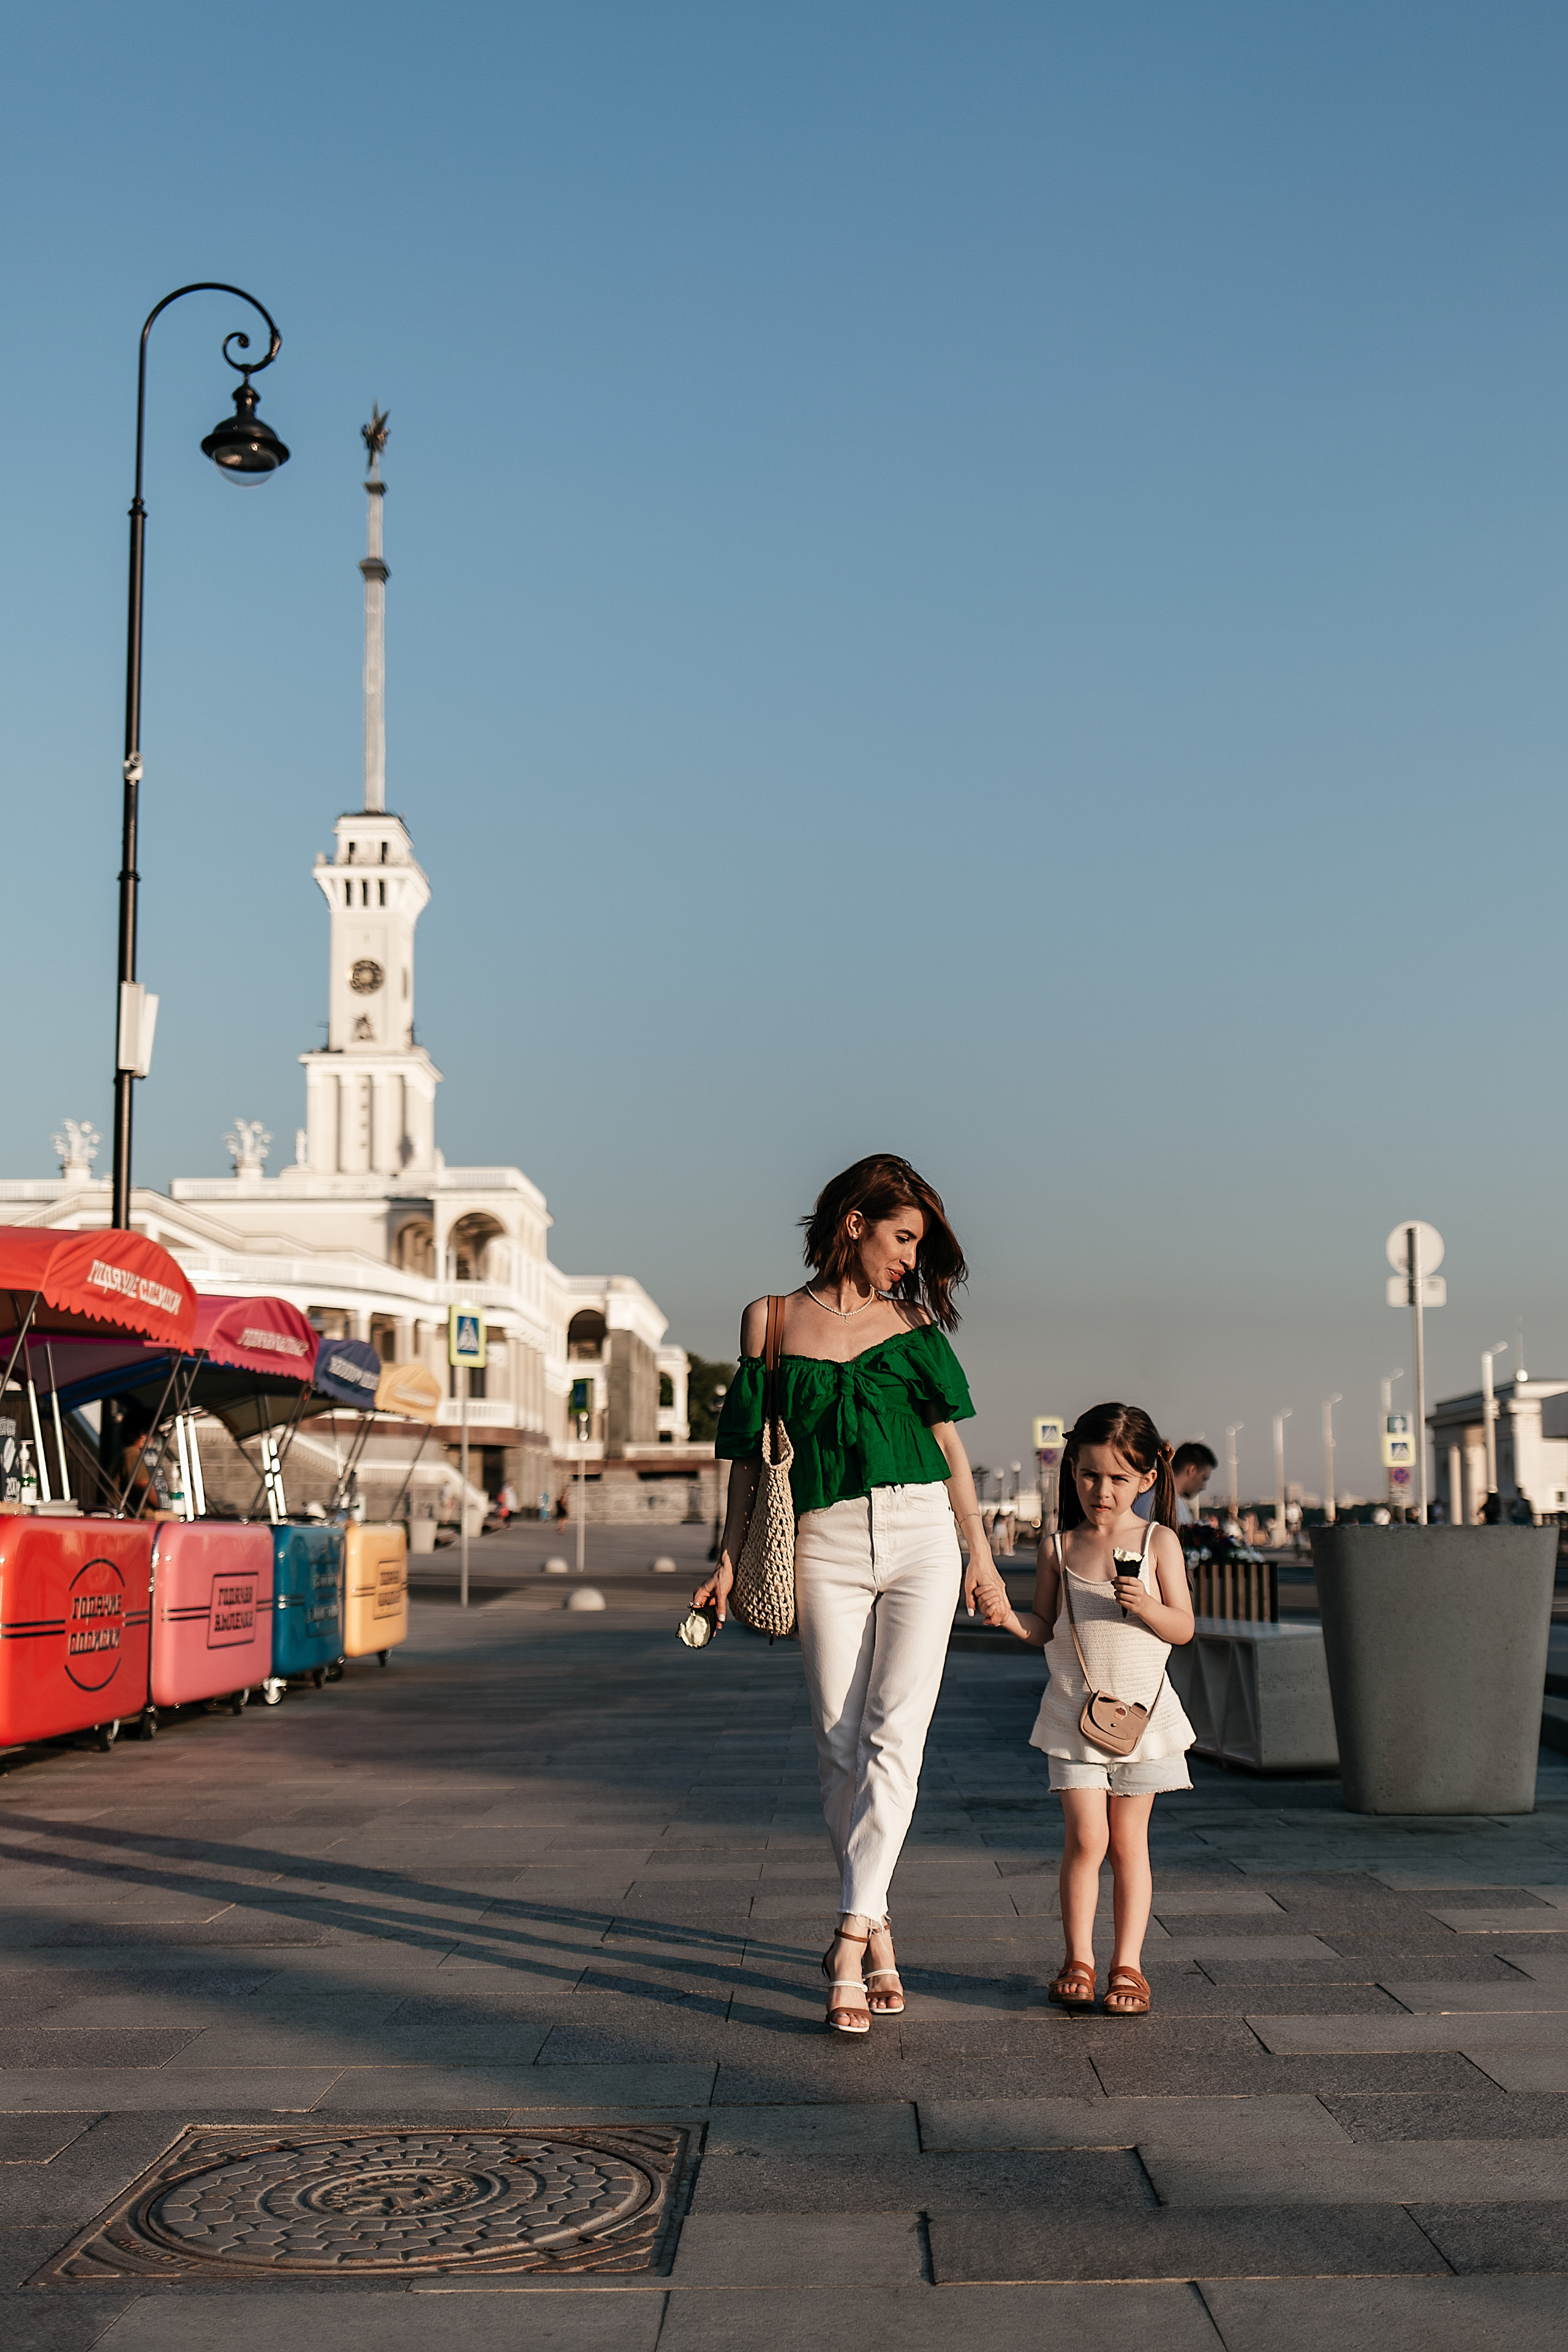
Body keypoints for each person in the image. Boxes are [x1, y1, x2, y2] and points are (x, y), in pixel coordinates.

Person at [696, 1153, 1006, 2035]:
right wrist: (728, 1557)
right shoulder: (769, 1320)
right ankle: (877, 1924)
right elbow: (753, 1457)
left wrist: (979, 1558)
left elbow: (949, 1451)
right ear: (853, 1223)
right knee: (838, 1742)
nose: (911, 1259)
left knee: (893, 1737)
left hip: (920, 1539)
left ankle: (844, 1937)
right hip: (823, 1541)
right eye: (903, 1238)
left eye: (920, 1244)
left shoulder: (912, 1324)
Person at [994, 1403, 1196, 2017]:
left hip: (1144, 1719)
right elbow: (1044, 1625)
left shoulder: (1159, 1541)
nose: (1100, 1491)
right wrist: (1006, 1616)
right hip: (1074, 1715)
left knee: (1128, 1843)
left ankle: (1126, 1965)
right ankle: (1077, 1959)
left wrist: (1145, 1607)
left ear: (1145, 1479)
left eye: (1115, 1478)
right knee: (1087, 1837)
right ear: (1071, 1473)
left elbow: (1183, 1628)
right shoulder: (1058, 1545)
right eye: (1087, 1475)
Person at [1171, 1441, 1217, 1528]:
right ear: (1191, 1470)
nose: (1204, 1487)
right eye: (1204, 1479)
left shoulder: (1178, 1502)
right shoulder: (1162, 1504)